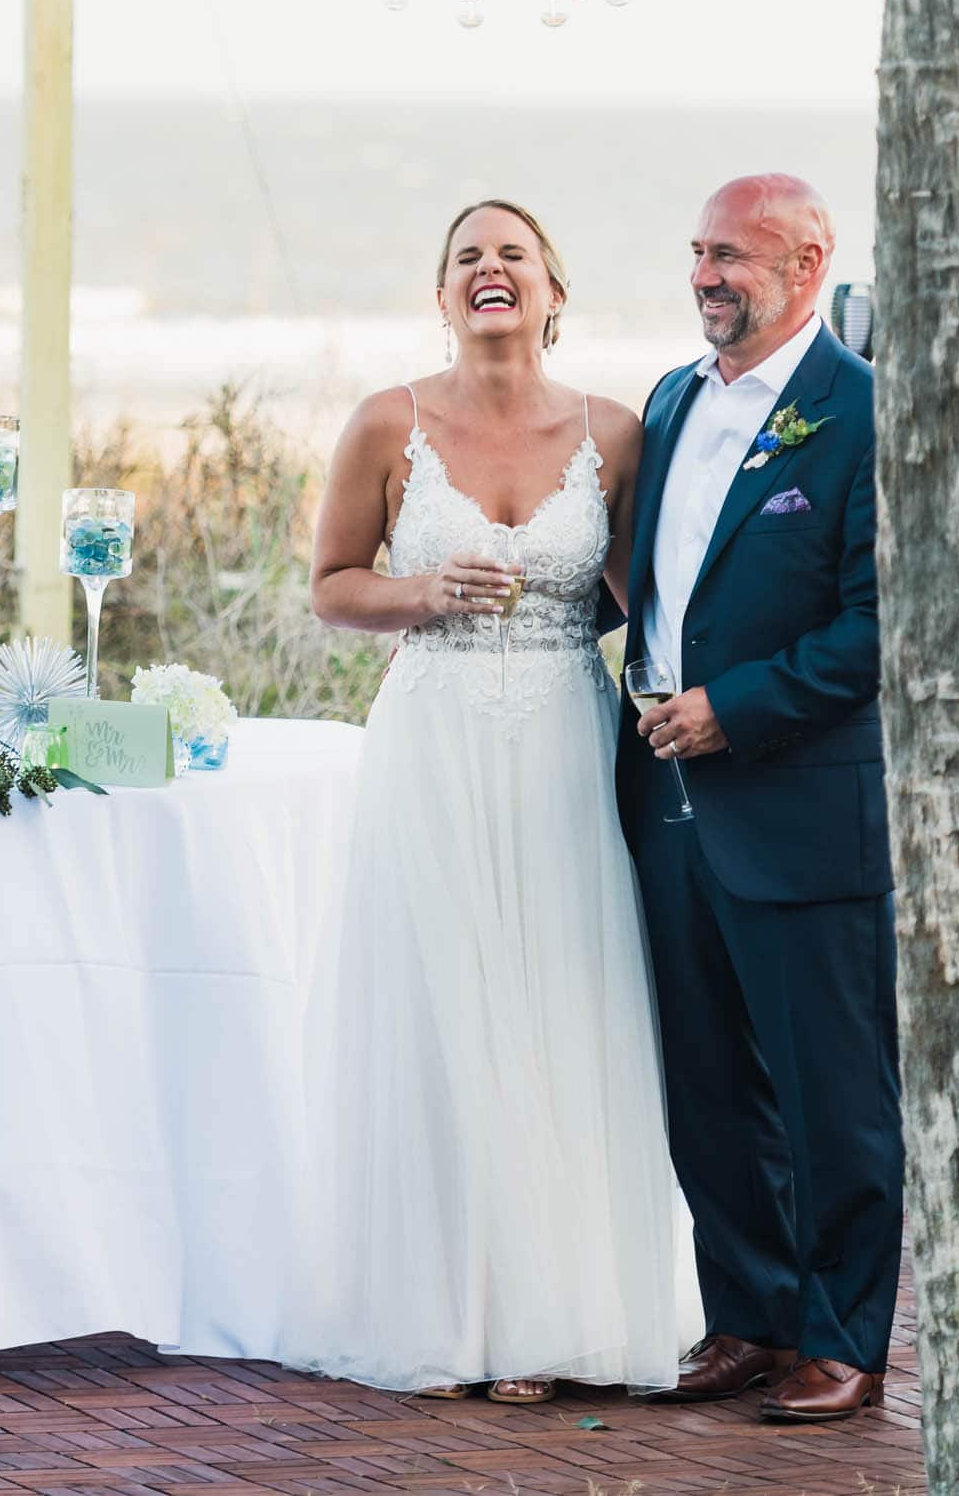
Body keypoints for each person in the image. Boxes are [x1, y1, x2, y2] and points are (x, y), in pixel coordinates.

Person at [286, 199, 697, 1401]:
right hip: (433, 738)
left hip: (570, 741)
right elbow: (329, 587)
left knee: (567, 1002)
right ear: (443, 293)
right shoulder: (386, 421)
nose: (489, 270)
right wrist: (419, 592)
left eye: (512, 253)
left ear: (554, 291)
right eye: (467, 256)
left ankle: (556, 1314)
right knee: (445, 1005)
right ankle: (450, 1309)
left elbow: (653, 595)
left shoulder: (615, 433)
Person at [616, 174, 896, 1425]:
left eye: (730, 255)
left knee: (830, 1089)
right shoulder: (671, 400)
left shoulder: (864, 414)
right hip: (665, 799)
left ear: (807, 259)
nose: (706, 277)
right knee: (708, 1084)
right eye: (696, 254)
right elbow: (648, 580)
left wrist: (736, 705)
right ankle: (746, 1314)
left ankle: (842, 1336)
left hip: (797, 804)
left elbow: (880, 625)